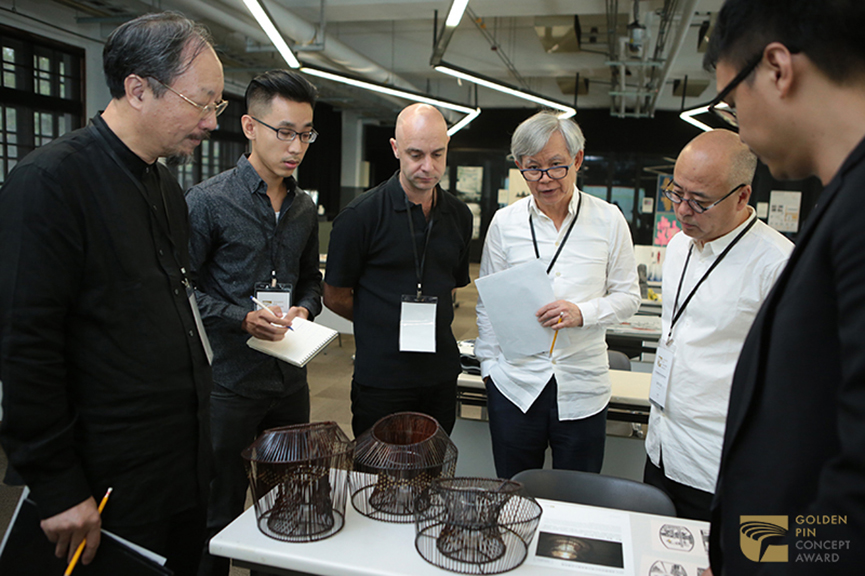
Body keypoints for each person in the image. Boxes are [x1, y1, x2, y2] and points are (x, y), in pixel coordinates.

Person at [0, 12, 223, 573]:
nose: (211, 122)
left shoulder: (165, 185)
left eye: (216, 105)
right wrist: (56, 485)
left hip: (177, 464)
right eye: (201, 103)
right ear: (137, 89)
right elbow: (26, 346)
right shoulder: (51, 182)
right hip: (104, 479)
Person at [703, 0, 865, 572]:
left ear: (776, 69)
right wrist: (745, 551)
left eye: (731, 103)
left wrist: (765, 560)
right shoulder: (842, 200)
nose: (739, 129)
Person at [185, 70, 322, 576]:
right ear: (249, 126)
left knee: (287, 509)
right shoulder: (207, 201)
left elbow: (310, 282)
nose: (296, 147)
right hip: (229, 384)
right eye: (284, 132)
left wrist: (305, 308)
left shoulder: (304, 207)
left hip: (289, 382)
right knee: (217, 513)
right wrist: (240, 319)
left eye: (306, 134)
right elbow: (182, 291)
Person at [475, 111, 640, 480]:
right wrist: (489, 370)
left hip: (582, 388)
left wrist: (583, 312)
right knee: (514, 493)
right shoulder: (505, 223)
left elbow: (629, 297)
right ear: (520, 166)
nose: (545, 179)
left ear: (577, 160)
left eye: (555, 166)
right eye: (532, 168)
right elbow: (488, 303)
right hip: (515, 387)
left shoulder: (609, 220)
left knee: (579, 496)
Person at [642, 129, 793, 522]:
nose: (683, 211)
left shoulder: (778, 265)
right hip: (661, 448)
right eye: (676, 193)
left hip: (718, 467)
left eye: (700, 201)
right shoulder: (679, 246)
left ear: (742, 196)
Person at [324, 103, 472, 437]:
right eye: (415, 154)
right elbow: (334, 295)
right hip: (382, 378)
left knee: (434, 465)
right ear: (395, 148)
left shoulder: (459, 215)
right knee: (378, 468)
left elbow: (451, 286)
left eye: (437, 154)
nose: (428, 166)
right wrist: (380, 320)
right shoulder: (360, 216)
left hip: (440, 375)